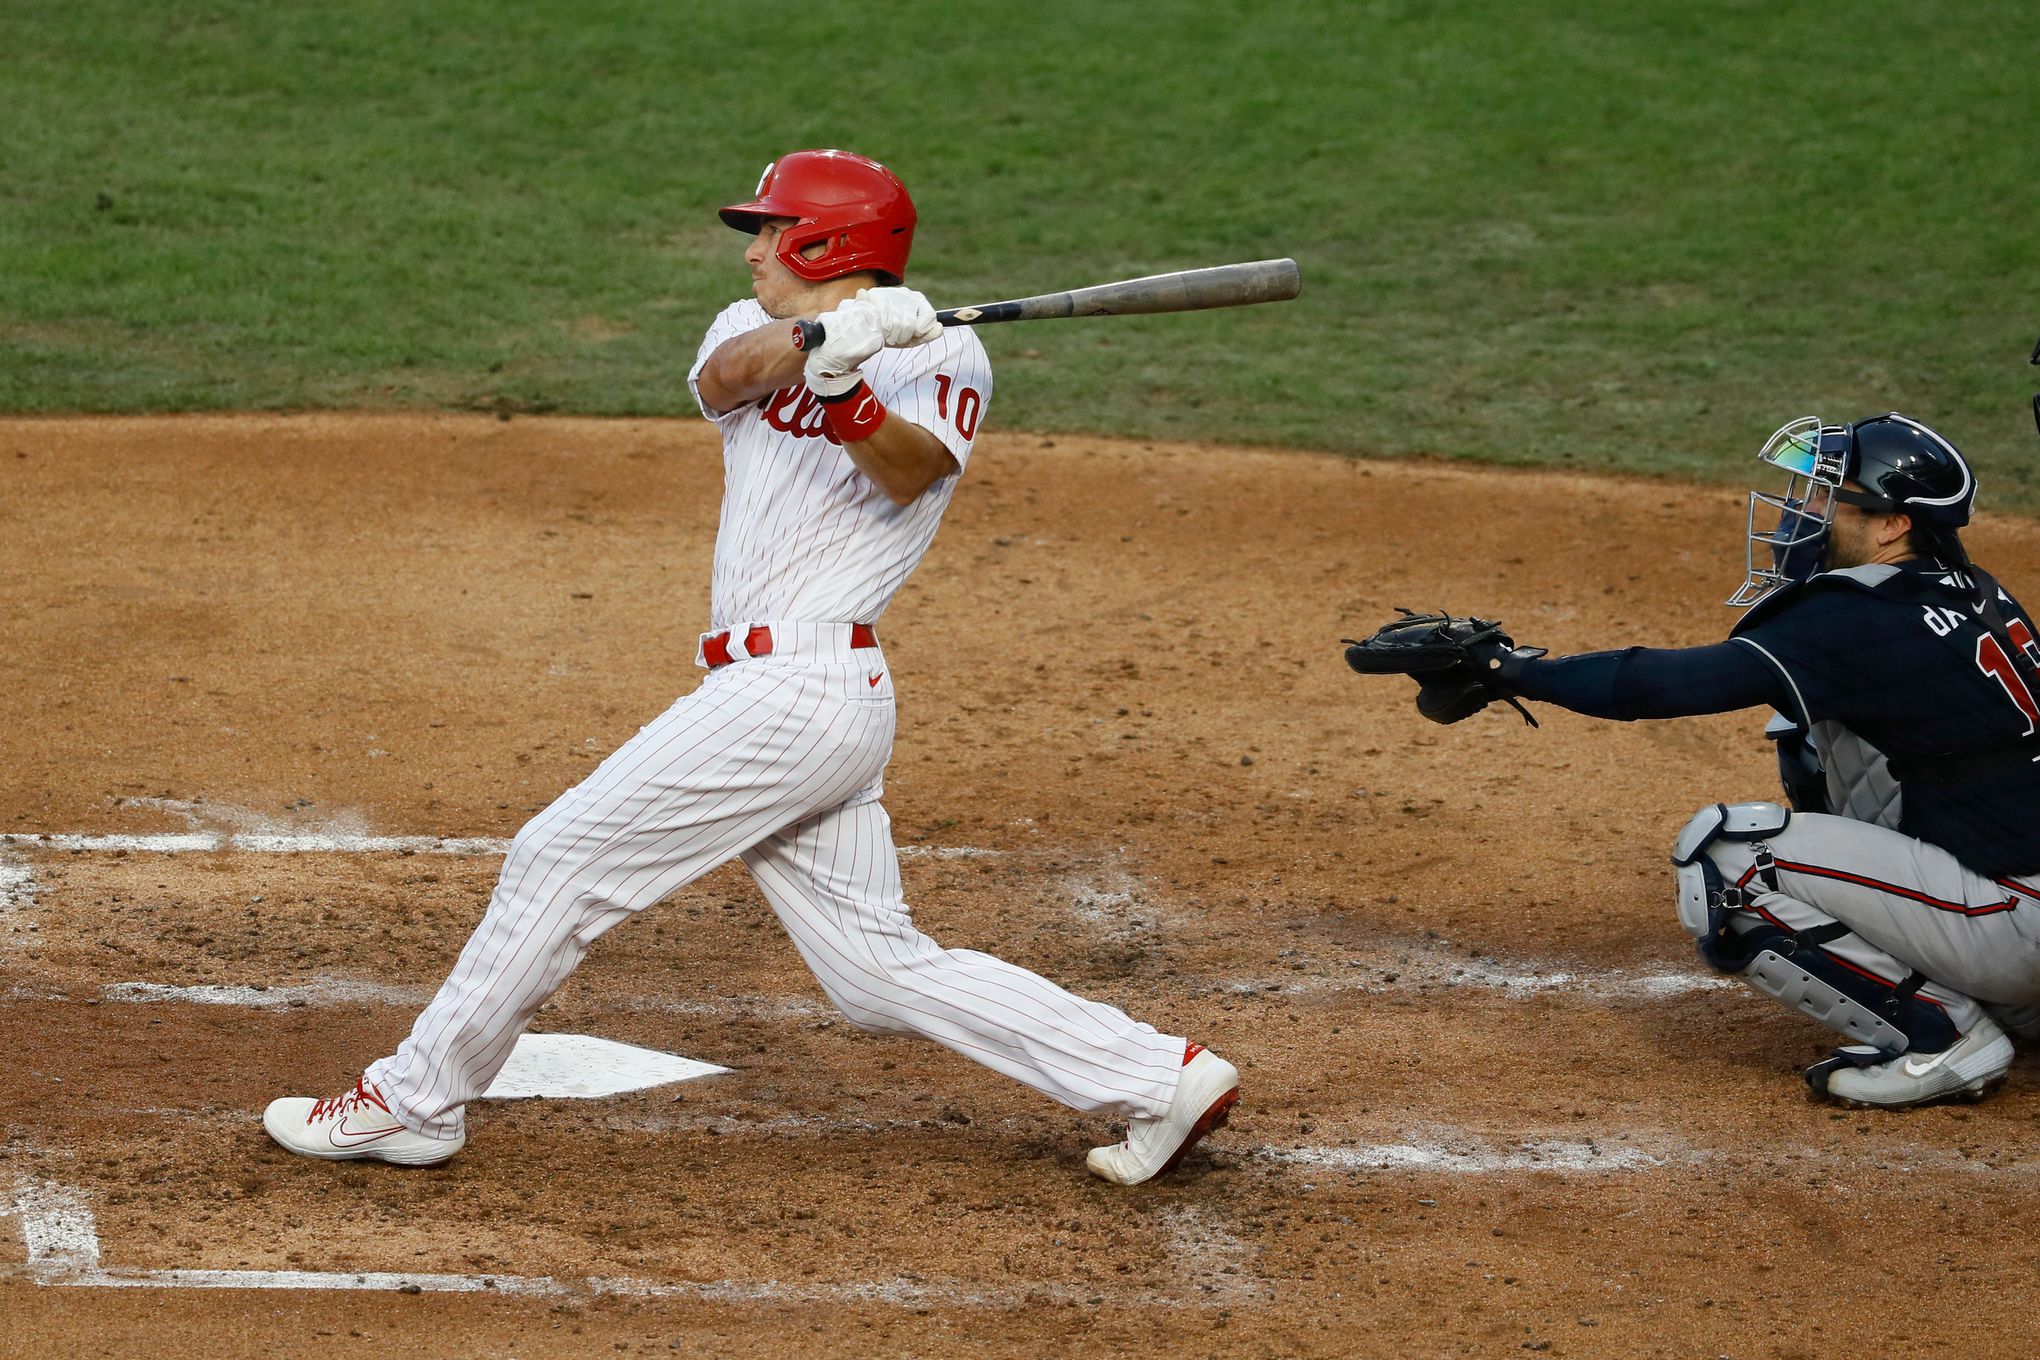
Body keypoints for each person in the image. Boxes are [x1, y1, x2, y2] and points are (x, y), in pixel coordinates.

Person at [263, 149, 1238, 1185]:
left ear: (828, 243)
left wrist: (851, 389)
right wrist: (825, 338)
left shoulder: (949, 357)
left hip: (804, 687)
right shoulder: (744, 326)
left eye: (773, 230)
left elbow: (909, 474)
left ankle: (412, 1102)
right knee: (874, 969)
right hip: (785, 696)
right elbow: (729, 378)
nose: (756, 248)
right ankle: (1156, 1076)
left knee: (558, 860)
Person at [1355, 413, 2040, 1107]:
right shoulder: (1971, 590)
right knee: (1809, 737)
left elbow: (1665, 686)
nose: (1801, 510)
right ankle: (2009, 996)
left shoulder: (1858, 616)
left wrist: (1506, 667)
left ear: (1893, 523)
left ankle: (1944, 1036)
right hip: (2025, 908)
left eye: (1823, 496)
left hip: (2017, 923)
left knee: (1729, 856)